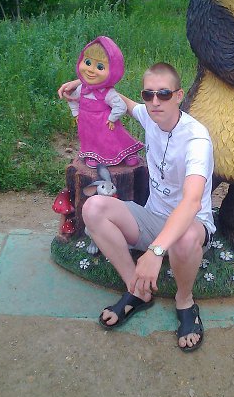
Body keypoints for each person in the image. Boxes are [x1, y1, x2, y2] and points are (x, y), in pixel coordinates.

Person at [58, 62, 215, 351]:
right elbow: (123, 102)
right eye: (148, 94)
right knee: (93, 208)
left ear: (179, 96)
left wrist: (155, 251)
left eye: (164, 94)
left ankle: (185, 301)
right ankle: (138, 290)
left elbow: (192, 201)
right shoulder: (150, 116)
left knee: (186, 238)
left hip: (191, 226)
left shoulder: (196, 139)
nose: (155, 102)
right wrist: (84, 85)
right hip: (152, 217)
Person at [67, 36, 143, 168]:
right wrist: (76, 113)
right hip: (87, 123)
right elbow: (71, 98)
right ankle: (92, 155)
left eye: (100, 67)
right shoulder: (81, 89)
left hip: (104, 123)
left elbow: (121, 106)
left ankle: (126, 154)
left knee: (112, 139)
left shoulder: (108, 93)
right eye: (87, 62)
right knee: (91, 139)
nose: (90, 70)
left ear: (113, 71)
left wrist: (112, 118)